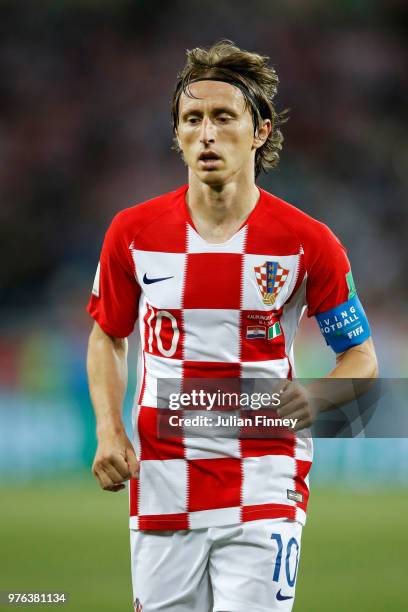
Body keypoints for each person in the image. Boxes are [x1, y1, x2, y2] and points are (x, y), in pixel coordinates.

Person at [86, 40, 378, 612]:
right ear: (177, 135)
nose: (207, 133)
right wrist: (107, 429)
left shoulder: (307, 241)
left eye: (224, 117)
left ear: (260, 130)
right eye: (191, 119)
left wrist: (319, 394)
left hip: (266, 475)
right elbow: (107, 334)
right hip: (164, 476)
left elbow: (361, 357)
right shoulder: (132, 232)